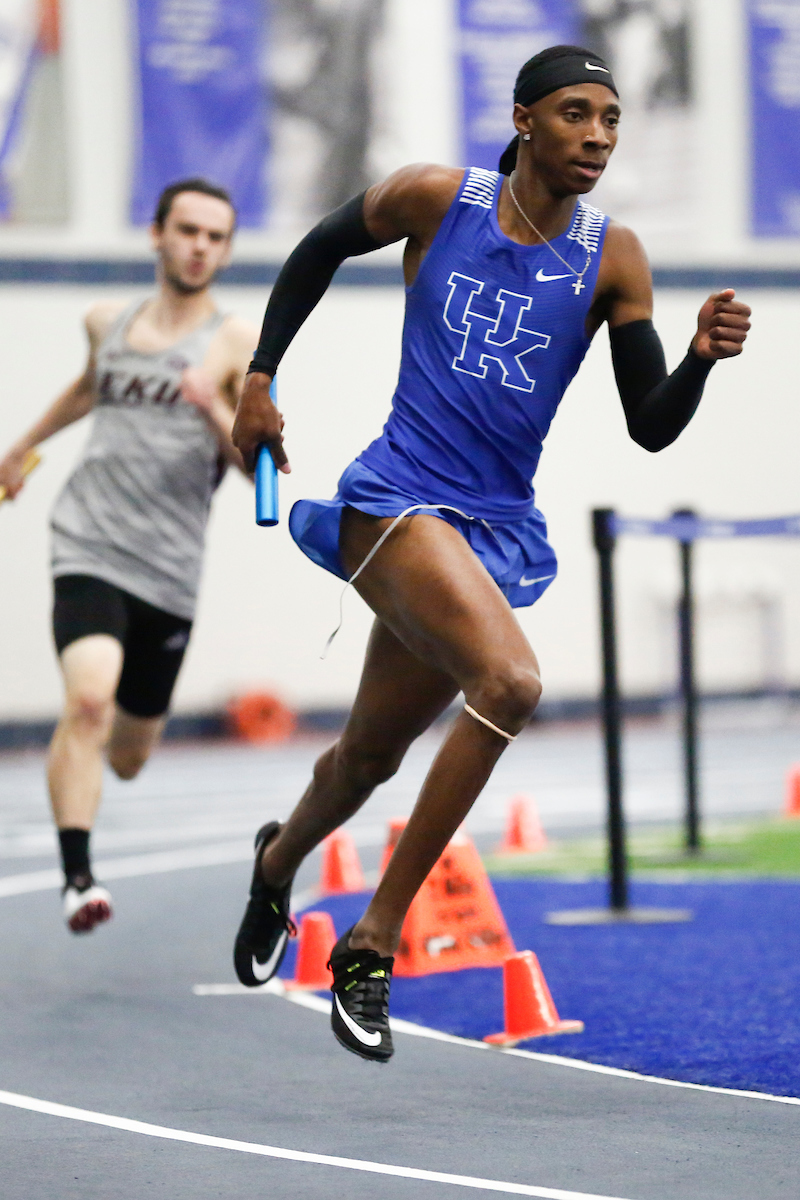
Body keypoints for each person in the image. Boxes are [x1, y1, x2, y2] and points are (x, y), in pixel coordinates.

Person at [231, 45, 751, 1062]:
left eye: (610, 118)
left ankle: (275, 864)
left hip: (488, 527)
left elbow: (649, 425)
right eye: (575, 113)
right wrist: (260, 378)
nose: (597, 135)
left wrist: (698, 358)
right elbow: (316, 250)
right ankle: (373, 943)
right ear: (523, 120)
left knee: (368, 757)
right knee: (508, 682)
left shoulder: (614, 257)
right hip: (393, 500)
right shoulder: (435, 198)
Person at [0, 179, 258, 934]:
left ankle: (101, 756)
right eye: (187, 230)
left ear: (227, 251)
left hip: (170, 568)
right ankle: (77, 879)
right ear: (157, 234)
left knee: (129, 756)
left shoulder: (235, 342)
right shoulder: (104, 321)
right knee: (87, 701)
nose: (199, 247)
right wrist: (22, 449)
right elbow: (90, 387)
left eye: (215, 236)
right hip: (87, 539)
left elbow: (257, 469)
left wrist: (212, 405)